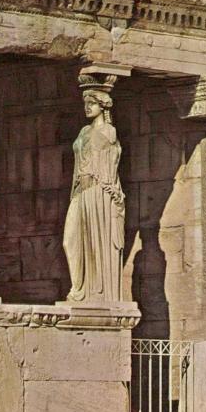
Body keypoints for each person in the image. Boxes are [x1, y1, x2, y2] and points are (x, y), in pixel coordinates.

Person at [63, 74, 125, 302]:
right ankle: (79, 288)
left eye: (92, 103)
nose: (87, 108)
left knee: (96, 241)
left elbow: (111, 164)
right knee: (70, 239)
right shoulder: (83, 132)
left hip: (99, 191)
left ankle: (96, 293)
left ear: (103, 105)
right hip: (81, 190)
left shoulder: (109, 132)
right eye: (86, 104)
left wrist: (111, 193)